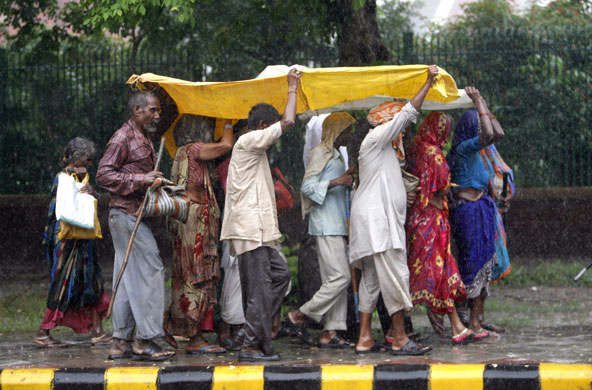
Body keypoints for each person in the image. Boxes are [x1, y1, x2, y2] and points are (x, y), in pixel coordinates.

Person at [348, 65, 440, 356]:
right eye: (397, 124)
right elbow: (407, 115)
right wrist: (427, 83)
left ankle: (364, 338)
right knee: (396, 276)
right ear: (387, 122)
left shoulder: (387, 149)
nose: (405, 131)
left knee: (373, 282)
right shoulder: (376, 138)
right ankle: (399, 337)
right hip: (379, 223)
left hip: (379, 221)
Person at [220, 68, 302, 362]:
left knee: (279, 277)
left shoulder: (251, 148)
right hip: (249, 230)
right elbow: (289, 121)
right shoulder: (247, 142)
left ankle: (253, 332)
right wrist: (292, 87)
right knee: (258, 290)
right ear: (263, 126)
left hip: (257, 231)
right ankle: (251, 346)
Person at [96, 90, 175, 361]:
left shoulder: (143, 135)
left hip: (131, 216)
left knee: (127, 277)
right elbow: (103, 175)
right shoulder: (123, 136)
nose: (156, 115)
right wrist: (143, 179)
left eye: (158, 110)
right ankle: (144, 340)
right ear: (137, 110)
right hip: (125, 215)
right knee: (151, 269)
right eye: (152, 110)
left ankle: (120, 342)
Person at [405, 112, 488, 345]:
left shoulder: (416, 150)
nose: (447, 135)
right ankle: (400, 326)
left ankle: (455, 325)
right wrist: (444, 197)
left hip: (417, 220)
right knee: (433, 272)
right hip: (432, 220)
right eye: (445, 130)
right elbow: (438, 190)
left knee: (432, 272)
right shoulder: (435, 155)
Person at [163, 114, 234, 354]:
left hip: (185, 224)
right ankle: (194, 335)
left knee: (185, 276)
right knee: (197, 276)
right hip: (195, 226)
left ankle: (183, 327)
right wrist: (228, 121)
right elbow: (226, 145)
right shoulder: (194, 149)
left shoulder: (180, 153)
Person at [285, 112, 356, 348]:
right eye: (346, 131)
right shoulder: (320, 153)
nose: (349, 135)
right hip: (325, 223)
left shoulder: (336, 155)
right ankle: (300, 314)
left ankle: (331, 331)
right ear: (336, 131)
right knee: (341, 277)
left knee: (332, 279)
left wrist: (346, 177)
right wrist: (338, 182)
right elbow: (307, 187)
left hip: (336, 222)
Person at [35, 137, 111, 348]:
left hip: (85, 241)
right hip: (65, 242)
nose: (89, 165)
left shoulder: (83, 178)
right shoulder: (63, 179)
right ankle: (43, 332)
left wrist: (92, 193)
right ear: (74, 159)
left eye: (89, 161)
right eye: (86, 161)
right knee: (63, 284)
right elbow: (59, 215)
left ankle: (97, 331)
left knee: (92, 281)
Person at [448, 86, 505, 335]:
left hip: (481, 209)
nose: (483, 126)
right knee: (473, 264)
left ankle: (478, 320)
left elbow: (497, 133)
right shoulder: (463, 149)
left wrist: (483, 106)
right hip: (468, 212)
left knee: (485, 265)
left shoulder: (480, 150)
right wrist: (479, 101)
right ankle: (472, 322)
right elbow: (489, 135)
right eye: (479, 123)